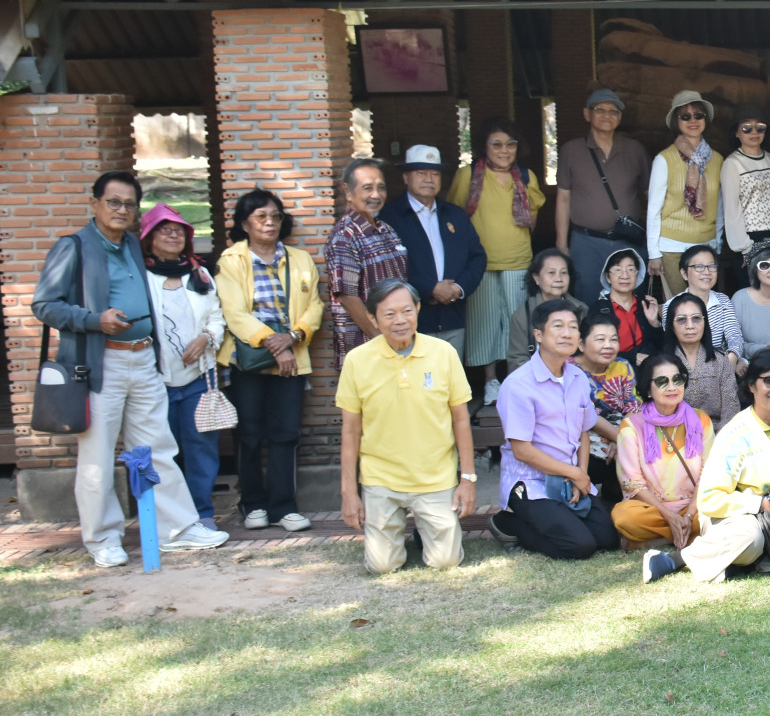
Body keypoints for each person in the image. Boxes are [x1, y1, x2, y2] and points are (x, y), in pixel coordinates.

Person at [33, 173, 229, 566]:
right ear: (95, 204)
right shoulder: (73, 247)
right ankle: (103, 538)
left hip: (143, 359)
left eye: (129, 204)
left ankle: (176, 528)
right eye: (113, 202)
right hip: (99, 361)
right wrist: (93, 319)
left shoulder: (133, 249)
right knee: (99, 454)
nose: (121, 210)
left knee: (158, 446)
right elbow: (44, 305)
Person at [647, 347, 770, 582]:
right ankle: (675, 559)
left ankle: (749, 565)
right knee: (752, 537)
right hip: (734, 523)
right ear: (751, 385)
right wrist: (760, 504)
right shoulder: (735, 433)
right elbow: (709, 499)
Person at [336, 278, 476, 573]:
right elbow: (350, 431)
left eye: (407, 311)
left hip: (435, 476)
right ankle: (405, 530)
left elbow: (461, 419)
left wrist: (467, 479)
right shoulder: (357, 361)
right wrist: (349, 492)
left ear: (418, 309)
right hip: (381, 478)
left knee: (445, 562)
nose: (400, 320)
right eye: (389, 314)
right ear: (373, 319)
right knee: (382, 566)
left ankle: (423, 531)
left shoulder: (443, 353)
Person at [215, 188, 324, 532]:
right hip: (248, 358)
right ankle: (252, 504)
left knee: (285, 433)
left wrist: (292, 337)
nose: (269, 222)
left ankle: (284, 506)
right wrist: (274, 344)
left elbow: (315, 306)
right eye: (260, 217)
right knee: (248, 433)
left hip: (292, 353)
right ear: (245, 223)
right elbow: (234, 312)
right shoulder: (231, 260)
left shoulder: (300, 259)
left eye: (275, 216)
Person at [490, 300, 620, 560]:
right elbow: (523, 451)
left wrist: (580, 474)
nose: (568, 333)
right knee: (578, 546)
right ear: (538, 335)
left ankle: (559, 519)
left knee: (608, 539)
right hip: (531, 482)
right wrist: (574, 473)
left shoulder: (577, 378)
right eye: (558, 326)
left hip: (570, 477)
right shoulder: (519, 385)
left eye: (573, 327)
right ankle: (507, 524)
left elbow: (584, 431)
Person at [448, 117, 546, 407]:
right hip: (480, 263)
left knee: (517, 323)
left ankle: (516, 379)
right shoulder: (468, 175)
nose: (504, 150)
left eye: (510, 144)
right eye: (497, 144)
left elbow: (533, 222)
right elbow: (454, 217)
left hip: (518, 260)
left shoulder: (526, 177)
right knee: (485, 323)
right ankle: (491, 380)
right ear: (484, 147)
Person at [140, 203, 224, 528]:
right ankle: (171, 518)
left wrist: (205, 337)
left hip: (197, 378)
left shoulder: (199, 273)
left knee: (201, 449)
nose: (174, 234)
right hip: (154, 380)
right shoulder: (141, 277)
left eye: (179, 230)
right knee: (163, 451)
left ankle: (202, 514)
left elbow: (217, 317)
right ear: (149, 238)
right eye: (165, 229)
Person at [378, 145, 487, 355]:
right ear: (405, 177)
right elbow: (388, 267)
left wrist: (458, 287)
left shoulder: (455, 215)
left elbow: (478, 256)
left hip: (453, 317)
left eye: (435, 174)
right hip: (411, 320)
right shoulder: (389, 217)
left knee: (449, 381)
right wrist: (430, 289)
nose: (429, 179)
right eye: (421, 173)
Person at [613, 352, 714, 563]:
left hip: (693, 506)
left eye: (677, 379)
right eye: (662, 381)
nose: (672, 387)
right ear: (647, 389)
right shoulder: (631, 426)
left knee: (719, 511)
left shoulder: (700, 419)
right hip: (654, 508)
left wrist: (688, 515)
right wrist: (670, 516)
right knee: (624, 516)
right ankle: (687, 534)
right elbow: (633, 484)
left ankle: (655, 541)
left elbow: (709, 472)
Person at [556, 86, 650, 307]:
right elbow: (563, 199)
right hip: (586, 242)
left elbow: (651, 198)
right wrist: (562, 244)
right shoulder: (572, 151)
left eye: (614, 111)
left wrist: (652, 244)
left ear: (620, 118)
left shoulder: (635, 150)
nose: (607, 115)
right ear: (587, 114)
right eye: (600, 110)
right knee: (587, 301)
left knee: (631, 304)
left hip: (627, 242)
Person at [325, 157, 408, 364]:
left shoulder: (386, 229)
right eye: (367, 188)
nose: (376, 195)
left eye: (381, 188)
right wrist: (382, 340)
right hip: (367, 349)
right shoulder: (344, 236)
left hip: (396, 344)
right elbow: (347, 297)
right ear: (347, 192)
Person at [646, 90, 724, 297]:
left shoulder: (717, 160)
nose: (693, 120)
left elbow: (719, 208)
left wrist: (717, 243)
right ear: (676, 121)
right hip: (672, 247)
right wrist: (654, 253)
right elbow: (653, 209)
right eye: (685, 116)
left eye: (698, 115)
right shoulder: (664, 159)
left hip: (705, 246)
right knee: (677, 310)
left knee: (704, 309)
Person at [575, 311, 637, 503]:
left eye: (613, 339)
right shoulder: (570, 372)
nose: (608, 346)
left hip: (618, 431)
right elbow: (587, 415)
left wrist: (618, 438)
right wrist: (620, 439)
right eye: (600, 339)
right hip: (585, 434)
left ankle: (618, 494)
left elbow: (633, 407)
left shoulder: (622, 366)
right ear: (581, 344)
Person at [663, 292, 742, 427]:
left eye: (696, 318)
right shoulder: (662, 364)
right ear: (671, 325)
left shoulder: (720, 361)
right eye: (682, 319)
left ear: (705, 322)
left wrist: (718, 441)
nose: (690, 326)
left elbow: (731, 407)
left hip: (718, 436)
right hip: (675, 436)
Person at [663, 243, 745, 372]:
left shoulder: (722, 300)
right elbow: (674, 346)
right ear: (684, 273)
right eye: (699, 267)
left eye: (711, 266)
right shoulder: (672, 305)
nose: (707, 272)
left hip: (723, 365)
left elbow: (734, 336)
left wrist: (732, 360)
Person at [720, 103, 770, 267]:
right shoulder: (732, 163)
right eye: (746, 128)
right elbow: (732, 209)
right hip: (748, 239)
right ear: (736, 132)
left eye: (760, 127)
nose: (754, 132)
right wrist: (746, 248)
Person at [508, 249, 585, 372]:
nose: (559, 278)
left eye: (564, 273)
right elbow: (517, 359)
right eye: (551, 273)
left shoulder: (581, 310)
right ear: (536, 278)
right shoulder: (523, 315)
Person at [591, 246, 660, 363]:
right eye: (618, 270)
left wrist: (655, 324)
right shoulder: (599, 309)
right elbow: (595, 350)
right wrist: (632, 357)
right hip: (614, 370)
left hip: (648, 367)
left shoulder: (645, 304)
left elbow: (662, 345)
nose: (625, 276)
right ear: (608, 277)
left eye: (631, 269)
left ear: (637, 274)